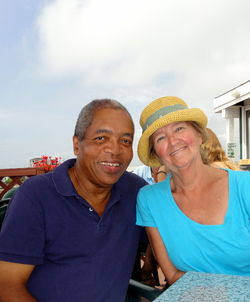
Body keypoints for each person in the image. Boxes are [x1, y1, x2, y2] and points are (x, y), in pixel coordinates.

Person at [0, 99, 147, 302]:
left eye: (125, 141)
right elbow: (7, 284)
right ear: (77, 145)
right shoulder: (36, 196)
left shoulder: (136, 192)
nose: (115, 150)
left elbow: (175, 236)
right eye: (101, 138)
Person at [136, 96, 250, 286]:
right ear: (156, 153)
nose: (172, 142)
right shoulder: (149, 199)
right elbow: (172, 275)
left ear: (199, 135)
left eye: (179, 128)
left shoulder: (245, 187)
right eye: (161, 138)